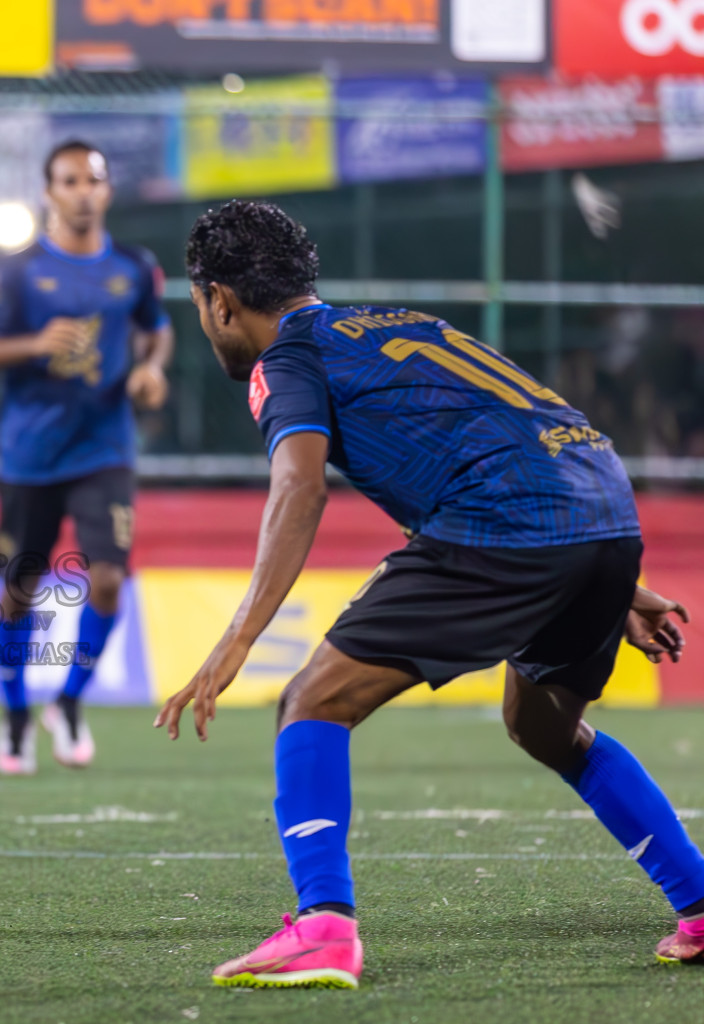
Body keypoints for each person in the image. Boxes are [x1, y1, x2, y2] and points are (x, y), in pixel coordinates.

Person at [157, 199, 700, 988]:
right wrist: (615, 580)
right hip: (604, 509)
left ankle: (322, 927)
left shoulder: (290, 359)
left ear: (218, 300)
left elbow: (298, 489)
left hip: (509, 522)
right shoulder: (395, 325)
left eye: (202, 307)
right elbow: (516, 429)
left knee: (312, 701)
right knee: (544, 728)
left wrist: (237, 638)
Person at [0, 139, 174, 774]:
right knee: (18, 590)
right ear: (49, 192)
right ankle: (16, 714)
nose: (83, 191)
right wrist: (35, 342)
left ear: (107, 191)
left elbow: (156, 329)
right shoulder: (19, 272)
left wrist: (151, 370)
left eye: (93, 180)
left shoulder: (133, 266)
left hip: (105, 448)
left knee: (107, 577)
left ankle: (71, 700)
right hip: (31, 456)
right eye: (69, 181)